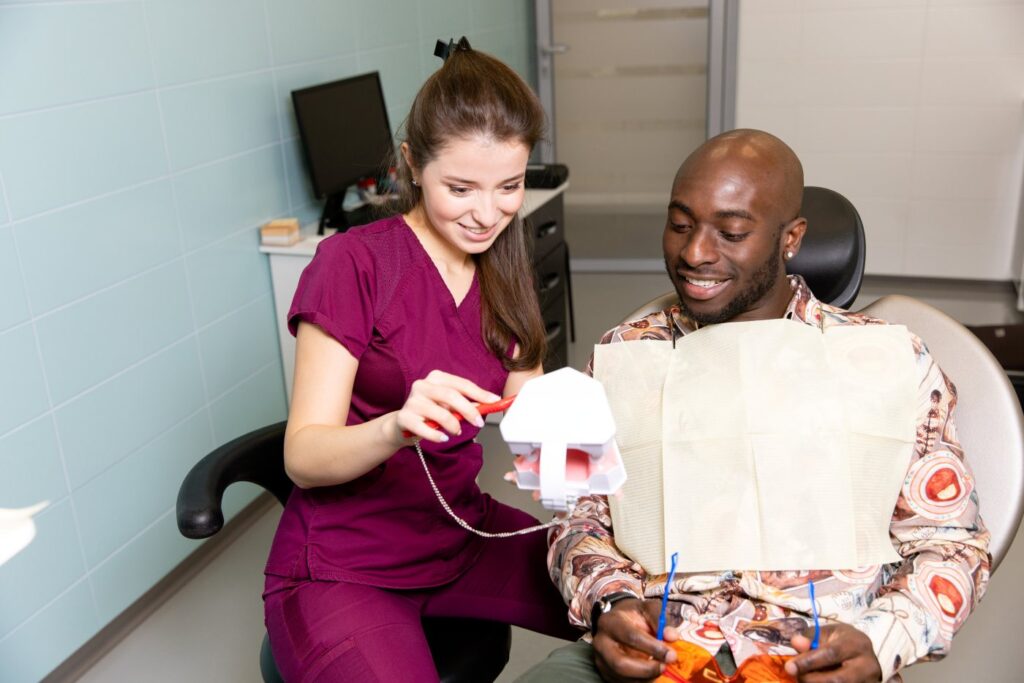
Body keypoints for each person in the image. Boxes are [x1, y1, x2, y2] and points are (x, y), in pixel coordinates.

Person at [516, 130, 990, 683]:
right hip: (658, 648)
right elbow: (576, 516)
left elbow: (952, 544)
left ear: (790, 238)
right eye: (680, 224)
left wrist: (880, 642)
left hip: (814, 653)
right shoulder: (625, 354)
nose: (695, 253)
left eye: (732, 232)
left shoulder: (889, 362)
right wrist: (610, 606)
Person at [263, 38, 579, 682]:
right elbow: (304, 454)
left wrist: (582, 450)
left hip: (462, 535)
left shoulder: (503, 270)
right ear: (413, 165)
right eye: (460, 188)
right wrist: (395, 426)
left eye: (509, 186)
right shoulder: (352, 264)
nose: (488, 213)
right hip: (345, 565)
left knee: (637, 605)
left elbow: (537, 421)